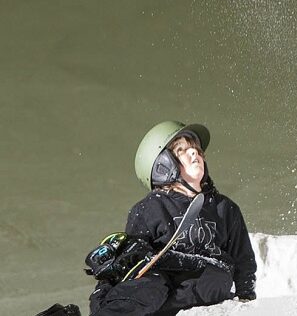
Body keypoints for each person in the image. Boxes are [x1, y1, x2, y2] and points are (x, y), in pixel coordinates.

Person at [86, 121, 257, 315]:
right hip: (163, 284)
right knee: (152, 286)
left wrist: (246, 298)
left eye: (197, 150)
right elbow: (135, 268)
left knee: (215, 277)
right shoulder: (149, 208)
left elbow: (244, 260)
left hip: (207, 280)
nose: (195, 153)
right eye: (182, 150)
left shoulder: (224, 208)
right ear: (163, 165)